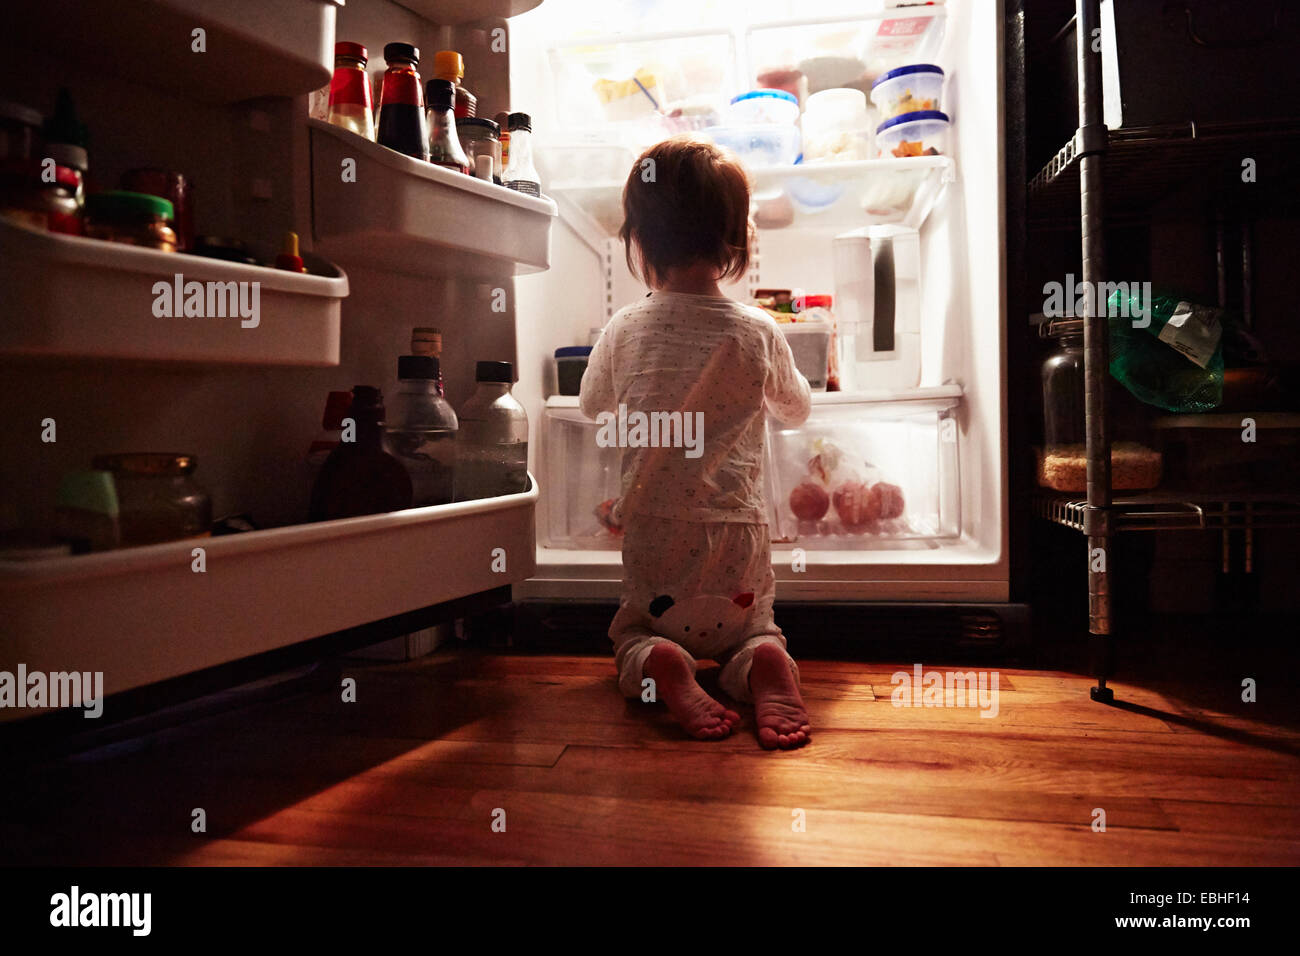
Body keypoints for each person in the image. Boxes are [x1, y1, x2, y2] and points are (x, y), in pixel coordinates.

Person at [579, 136, 813, 749]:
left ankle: (660, 659)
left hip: (654, 527)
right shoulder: (757, 329)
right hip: (736, 526)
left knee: (634, 631)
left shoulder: (624, 327)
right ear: (736, 239)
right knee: (751, 625)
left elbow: (591, 405)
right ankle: (762, 660)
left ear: (640, 239)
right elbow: (796, 409)